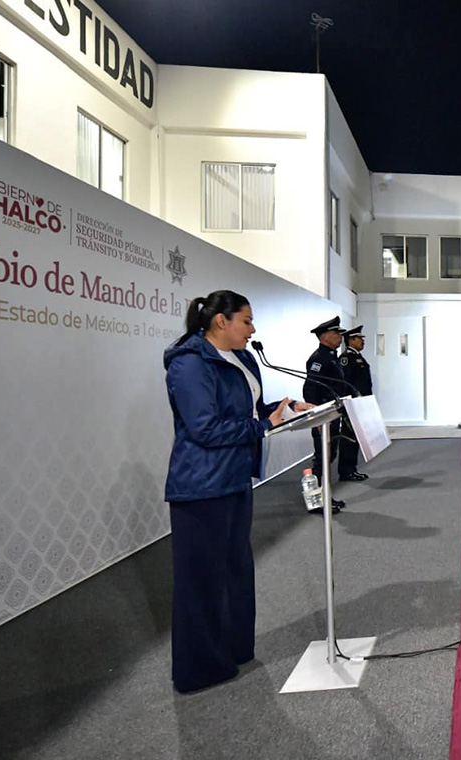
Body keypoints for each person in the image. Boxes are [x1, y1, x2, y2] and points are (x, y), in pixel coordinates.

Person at [163, 290, 311, 693]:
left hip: (235, 479)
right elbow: (204, 428)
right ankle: (200, 669)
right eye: (246, 320)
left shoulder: (242, 359)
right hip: (201, 487)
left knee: (235, 573)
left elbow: (248, 412)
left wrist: (283, 410)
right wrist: (263, 427)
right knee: (202, 581)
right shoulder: (190, 362)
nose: (253, 328)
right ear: (220, 322)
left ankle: (233, 649)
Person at [304, 317, 350, 512]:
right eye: (336, 333)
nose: (340, 337)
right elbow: (310, 389)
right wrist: (315, 417)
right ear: (324, 336)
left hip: (332, 414)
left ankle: (324, 496)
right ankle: (315, 499)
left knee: (329, 456)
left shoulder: (331, 356)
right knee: (322, 458)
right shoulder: (319, 359)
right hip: (323, 416)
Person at [337, 325, 372, 481]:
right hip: (352, 404)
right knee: (349, 437)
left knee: (355, 437)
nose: (363, 341)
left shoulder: (357, 356)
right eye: (360, 338)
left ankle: (351, 468)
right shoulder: (346, 358)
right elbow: (345, 383)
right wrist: (349, 403)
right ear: (351, 340)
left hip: (360, 403)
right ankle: (346, 470)